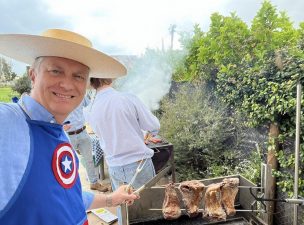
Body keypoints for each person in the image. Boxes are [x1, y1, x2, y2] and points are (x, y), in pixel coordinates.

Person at [0, 29, 138, 225]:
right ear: (33, 75)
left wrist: (110, 199)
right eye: (56, 71)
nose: (66, 84)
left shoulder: (57, 132)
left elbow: (64, 197)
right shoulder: (7, 121)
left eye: (78, 76)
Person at [84, 78, 160, 225]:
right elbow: (153, 125)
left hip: (114, 167)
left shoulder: (89, 109)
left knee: (122, 207)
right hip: (139, 164)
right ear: (111, 78)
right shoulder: (127, 98)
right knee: (148, 209)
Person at [63, 96, 108, 192]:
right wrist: (60, 127)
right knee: (69, 162)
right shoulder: (61, 96)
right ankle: (70, 188)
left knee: (89, 160)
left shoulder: (81, 94)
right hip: (68, 135)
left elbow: (91, 107)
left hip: (83, 132)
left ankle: (94, 183)